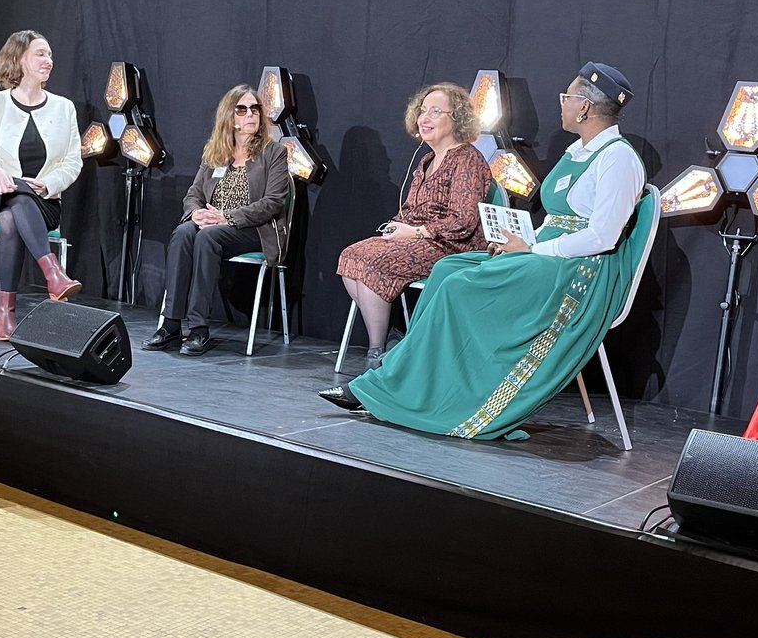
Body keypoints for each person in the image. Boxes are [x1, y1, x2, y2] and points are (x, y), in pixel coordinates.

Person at [319, 62, 647, 441]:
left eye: (567, 98)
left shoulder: (617, 158)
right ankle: (404, 380)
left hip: (579, 271)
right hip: (548, 255)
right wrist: (520, 241)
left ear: (586, 107)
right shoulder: (578, 151)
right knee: (447, 272)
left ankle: (398, 387)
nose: (562, 104)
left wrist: (534, 247)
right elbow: (557, 218)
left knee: (459, 286)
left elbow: (602, 237)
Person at [336, 82, 491, 370]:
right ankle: (390, 344)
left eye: (435, 111)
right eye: (422, 111)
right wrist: (396, 227)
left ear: (456, 118)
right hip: (417, 239)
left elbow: (464, 220)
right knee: (350, 256)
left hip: (452, 246)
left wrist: (418, 232)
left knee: (373, 263)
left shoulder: (467, 159)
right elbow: (410, 210)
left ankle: (377, 352)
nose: (425, 118)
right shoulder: (426, 160)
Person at [144, 84, 289, 357]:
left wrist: (226, 217)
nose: (251, 115)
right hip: (212, 223)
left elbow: (272, 203)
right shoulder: (215, 152)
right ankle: (171, 324)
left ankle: (198, 328)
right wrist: (196, 213)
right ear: (230, 117)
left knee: (208, 237)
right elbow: (193, 194)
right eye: (242, 109)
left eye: (255, 109)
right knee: (184, 232)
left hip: (252, 228)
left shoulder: (274, 152)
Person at [0, 30, 83, 340]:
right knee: (10, 205)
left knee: (14, 213)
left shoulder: (63, 108)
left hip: (43, 203)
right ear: (19, 59)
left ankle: (6, 315)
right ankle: (53, 273)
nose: (49, 60)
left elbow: (73, 162)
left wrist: (46, 184)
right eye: (41, 54)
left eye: (50, 55)